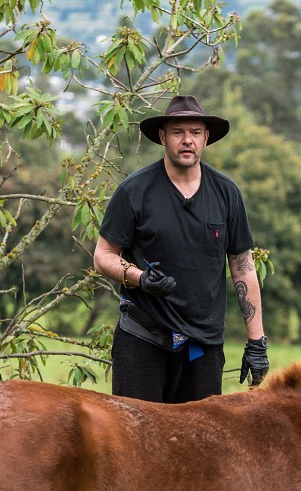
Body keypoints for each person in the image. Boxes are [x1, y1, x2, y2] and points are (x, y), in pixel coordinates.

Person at [93, 95, 269, 403]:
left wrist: (257, 342)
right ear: (162, 137)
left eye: (195, 132)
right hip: (142, 341)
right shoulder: (134, 191)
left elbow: (242, 266)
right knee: (137, 444)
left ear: (206, 138)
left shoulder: (226, 193)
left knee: (197, 447)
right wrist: (139, 278)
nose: (187, 140)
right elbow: (103, 255)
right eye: (177, 132)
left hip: (202, 347)